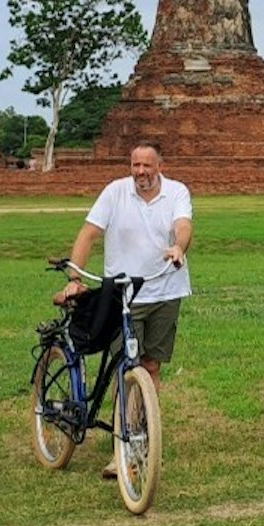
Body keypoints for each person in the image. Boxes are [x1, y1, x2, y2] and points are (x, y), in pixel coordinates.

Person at [55, 142, 191, 478]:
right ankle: (123, 446)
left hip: (164, 289)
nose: (141, 172)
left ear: (160, 164)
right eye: (135, 165)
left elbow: (183, 225)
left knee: (151, 366)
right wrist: (75, 277)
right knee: (125, 367)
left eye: (147, 165)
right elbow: (89, 234)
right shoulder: (115, 192)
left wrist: (178, 246)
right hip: (122, 293)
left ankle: (142, 434)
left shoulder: (176, 192)